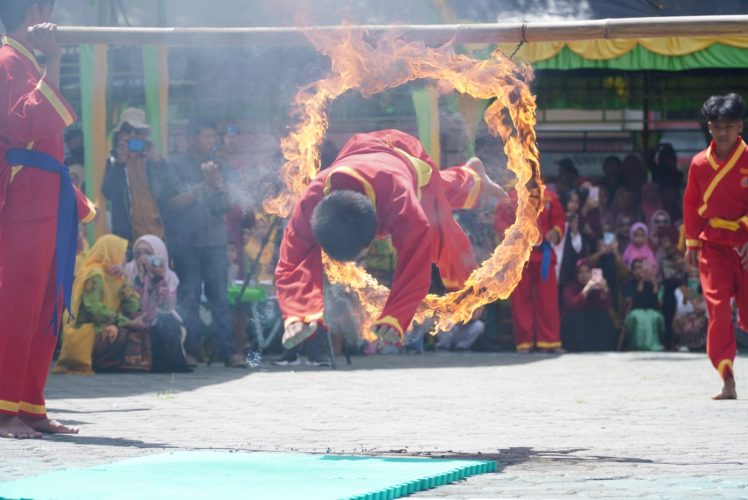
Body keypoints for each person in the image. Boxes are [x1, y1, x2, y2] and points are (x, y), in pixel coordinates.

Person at [275, 129, 506, 348]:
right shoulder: (312, 200)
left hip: (404, 157)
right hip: (367, 155)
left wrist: (396, 316)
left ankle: (472, 178)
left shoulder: (401, 201)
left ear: (375, 233)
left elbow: (415, 261)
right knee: (435, 188)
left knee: (439, 229)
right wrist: (296, 314)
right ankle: (471, 176)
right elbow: (293, 258)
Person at [0, 0, 97, 439]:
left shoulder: (23, 60)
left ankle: (29, 404)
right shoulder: (6, 60)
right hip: (21, 201)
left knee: (45, 308)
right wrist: (54, 60)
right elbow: (31, 125)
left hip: (45, 198)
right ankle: (3, 410)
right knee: (15, 307)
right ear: (35, 9)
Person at [154, 118, 244, 367]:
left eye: (213, 137)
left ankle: (229, 352)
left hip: (215, 241)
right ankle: (189, 350)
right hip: (186, 244)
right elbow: (170, 204)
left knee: (220, 299)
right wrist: (202, 187)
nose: (211, 141)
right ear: (191, 138)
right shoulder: (174, 166)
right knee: (189, 298)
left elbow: (224, 207)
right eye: (206, 136)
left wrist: (217, 187)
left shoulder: (219, 166)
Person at [683, 93, 748, 400]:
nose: (723, 133)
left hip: (745, 244)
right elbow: (692, 205)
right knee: (718, 310)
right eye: (717, 126)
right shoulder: (698, 164)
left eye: (729, 126)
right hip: (713, 246)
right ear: (709, 127)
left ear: (740, 126)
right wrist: (692, 245)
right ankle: (727, 377)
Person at [55, 235, 149, 373]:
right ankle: (103, 363)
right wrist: (126, 322)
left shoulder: (115, 275)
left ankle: (121, 363)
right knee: (121, 331)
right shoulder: (95, 274)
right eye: (122, 253)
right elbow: (95, 310)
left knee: (138, 328)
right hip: (83, 334)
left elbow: (132, 307)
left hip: (99, 328)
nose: (124, 258)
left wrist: (127, 279)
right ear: (111, 251)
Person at [495, 180, 566, 353]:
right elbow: (500, 222)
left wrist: (555, 232)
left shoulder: (548, 196)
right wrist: (511, 235)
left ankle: (549, 341)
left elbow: (559, 219)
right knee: (521, 302)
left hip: (544, 256)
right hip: (519, 257)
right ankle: (524, 343)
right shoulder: (510, 197)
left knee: (548, 301)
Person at [125, 235, 191, 373]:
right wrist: (139, 281)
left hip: (157, 318)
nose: (142, 257)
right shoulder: (127, 272)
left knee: (169, 325)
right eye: (138, 253)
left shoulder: (169, 276)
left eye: (148, 253)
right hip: (132, 318)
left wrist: (159, 279)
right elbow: (130, 305)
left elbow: (167, 307)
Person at [101, 108, 164, 242]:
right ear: (119, 135)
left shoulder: (154, 161)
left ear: (145, 135)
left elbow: (168, 192)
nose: (133, 135)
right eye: (128, 131)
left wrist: (156, 161)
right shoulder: (112, 160)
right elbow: (109, 193)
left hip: (157, 234)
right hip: (127, 237)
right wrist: (119, 163)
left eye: (138, 132)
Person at [560, 260, 616, 352]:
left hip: (593, 318)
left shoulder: (598, 286)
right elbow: (573, 306)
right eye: (580, 272)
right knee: (574, 319)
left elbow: (606, 307)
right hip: (577, 319)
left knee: (604, 318)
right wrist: (586, 290)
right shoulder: (570, 287)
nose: (584, 275)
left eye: (587, 272)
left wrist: (605, 290)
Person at [622, 259, 664, 351]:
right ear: (632, 271)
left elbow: (655, 305)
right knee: (638, 316)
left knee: (654, 316)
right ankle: (638, 345)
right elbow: (634, 303)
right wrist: (640, 282)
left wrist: (655, 286)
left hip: (650, 311)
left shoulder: (651, 284)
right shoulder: (628, 284)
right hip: (634, 311)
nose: (638, 271)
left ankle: (652, 344)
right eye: (635, 268)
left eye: (640, 268)